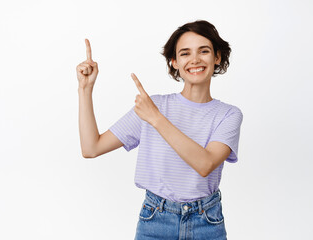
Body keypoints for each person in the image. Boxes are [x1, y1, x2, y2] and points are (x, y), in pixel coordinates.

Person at [76, 20, 243, 240]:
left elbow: (205, 164)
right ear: (174, 62)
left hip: (207, 222)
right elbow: (91, 148)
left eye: (204, 51)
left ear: (217, 57)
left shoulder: (228, 114)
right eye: (185, 53)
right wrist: (85, 89)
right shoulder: (153, 106)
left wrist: (155, 118)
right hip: (156, 220)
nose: (195, 60)